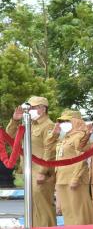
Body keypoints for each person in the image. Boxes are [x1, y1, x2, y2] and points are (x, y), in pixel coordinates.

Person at [6, 96, 56, 227]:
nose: (29, 110)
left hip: (40, 173)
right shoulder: (29, 124)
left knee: (43, 208)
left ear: (43, 109)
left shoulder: (48, 125)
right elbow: (9, 136)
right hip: (29, 171)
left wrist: (43, 171)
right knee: (32, 208)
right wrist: (15, 120)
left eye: (33, 107)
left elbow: (49, 150)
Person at [54, 110, 93, 225]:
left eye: (67, 121)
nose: (63, 123)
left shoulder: (80, 136)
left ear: (76, 121)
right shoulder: (65, 137)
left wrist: (76, 178)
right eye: (62, 121)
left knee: (79, 210)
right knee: (67, 211)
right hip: (62, 178)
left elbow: (82, 157)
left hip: (74, 179)